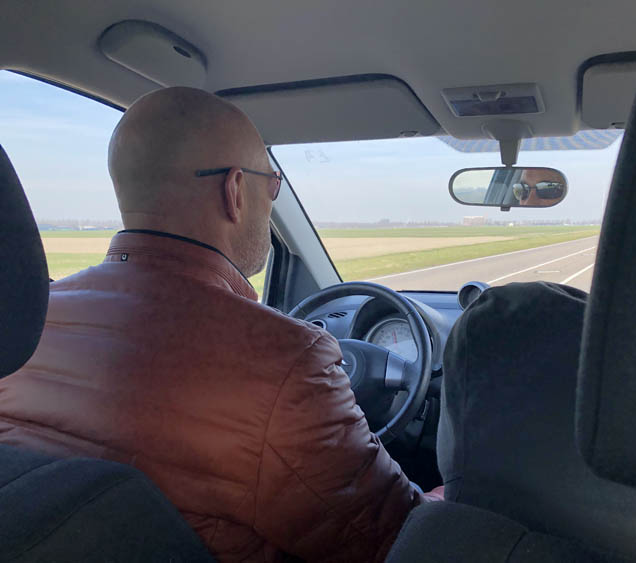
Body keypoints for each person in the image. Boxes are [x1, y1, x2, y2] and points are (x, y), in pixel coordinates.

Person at [0, 87, 441, 562]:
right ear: (234, 191)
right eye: (272, 185)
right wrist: (447, 498)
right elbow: (396, 539)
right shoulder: (287, 362)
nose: (271, 198)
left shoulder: (22, 331)